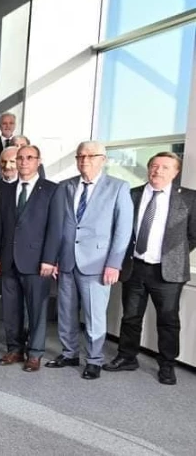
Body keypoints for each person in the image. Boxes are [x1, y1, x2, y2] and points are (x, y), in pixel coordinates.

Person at [104, 152, 196, 385]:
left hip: (168, 272)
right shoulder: (132, 194)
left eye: (165, 167)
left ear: (176, 172)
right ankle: (127, 357)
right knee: (131, 316)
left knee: (168, 320)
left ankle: (167, 365)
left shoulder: (189, 198)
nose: (158, 171)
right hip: (135, 266)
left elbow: (193, 235)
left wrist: (174, 255)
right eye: (154, 166)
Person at [43, 141, 132, 380]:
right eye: (80, 156)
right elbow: (57, 225)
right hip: (66, 261)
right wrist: (54, 257)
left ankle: (94, 360)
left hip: (98, 263)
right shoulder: (65, 186)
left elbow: (123, 230)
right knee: (65, 312)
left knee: (94, 315)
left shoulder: (118, 187)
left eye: (91, 156)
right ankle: (69, 353)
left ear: (103, 159)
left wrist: (114, 263)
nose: (85, 160)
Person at [0, 145, 57, 371]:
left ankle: (35, 353)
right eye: (20, 158)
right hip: (8, 259)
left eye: (29, 158)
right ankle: (15, 349)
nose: (24, 162)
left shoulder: (51, 190)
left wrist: (49, 259)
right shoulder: (6, 190)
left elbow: (55, 228)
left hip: (37, 262)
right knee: (11, 309)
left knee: (36, 309)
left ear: (38, 161)